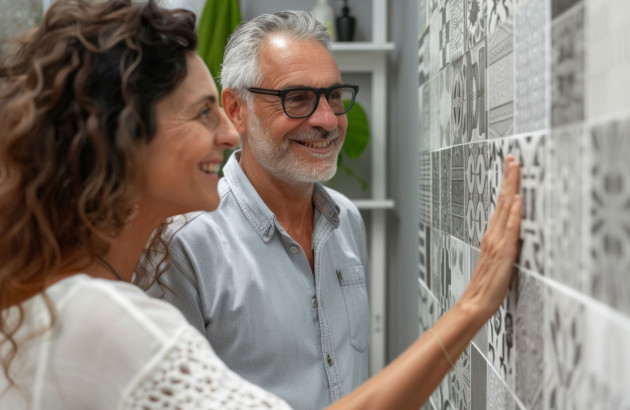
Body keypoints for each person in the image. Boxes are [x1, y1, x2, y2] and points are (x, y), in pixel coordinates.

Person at [0, 0, 522, 409]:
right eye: (205, 113)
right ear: (127, 136)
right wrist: (474, 306)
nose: (227, 135)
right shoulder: (130, 292)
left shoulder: (347, 223)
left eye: (334, 96)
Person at [146, 11, 371, 409]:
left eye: (333, 97)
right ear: (236, 110)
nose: (327, 120)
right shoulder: (184, 245)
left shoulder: (347, 220)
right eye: (297, 98)